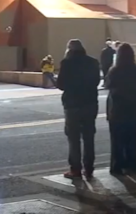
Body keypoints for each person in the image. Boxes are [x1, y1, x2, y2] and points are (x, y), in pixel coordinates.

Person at [56, 39, 101, 179]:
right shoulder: (93, 62)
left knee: (73, 138)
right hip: (90, 103)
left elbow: (61, 84)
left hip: (72, 104)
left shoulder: (67, 63)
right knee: (88, 137)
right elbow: (97, 81)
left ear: (69, 49)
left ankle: (75, 169)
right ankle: (89, 168)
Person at [105, 43, 136, 177]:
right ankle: (132, 165)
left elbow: (107, 85)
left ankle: (117, 166)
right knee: (132, 139)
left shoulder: (114, 71)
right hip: (132, 109)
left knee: (117, 140)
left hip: (117, 109)